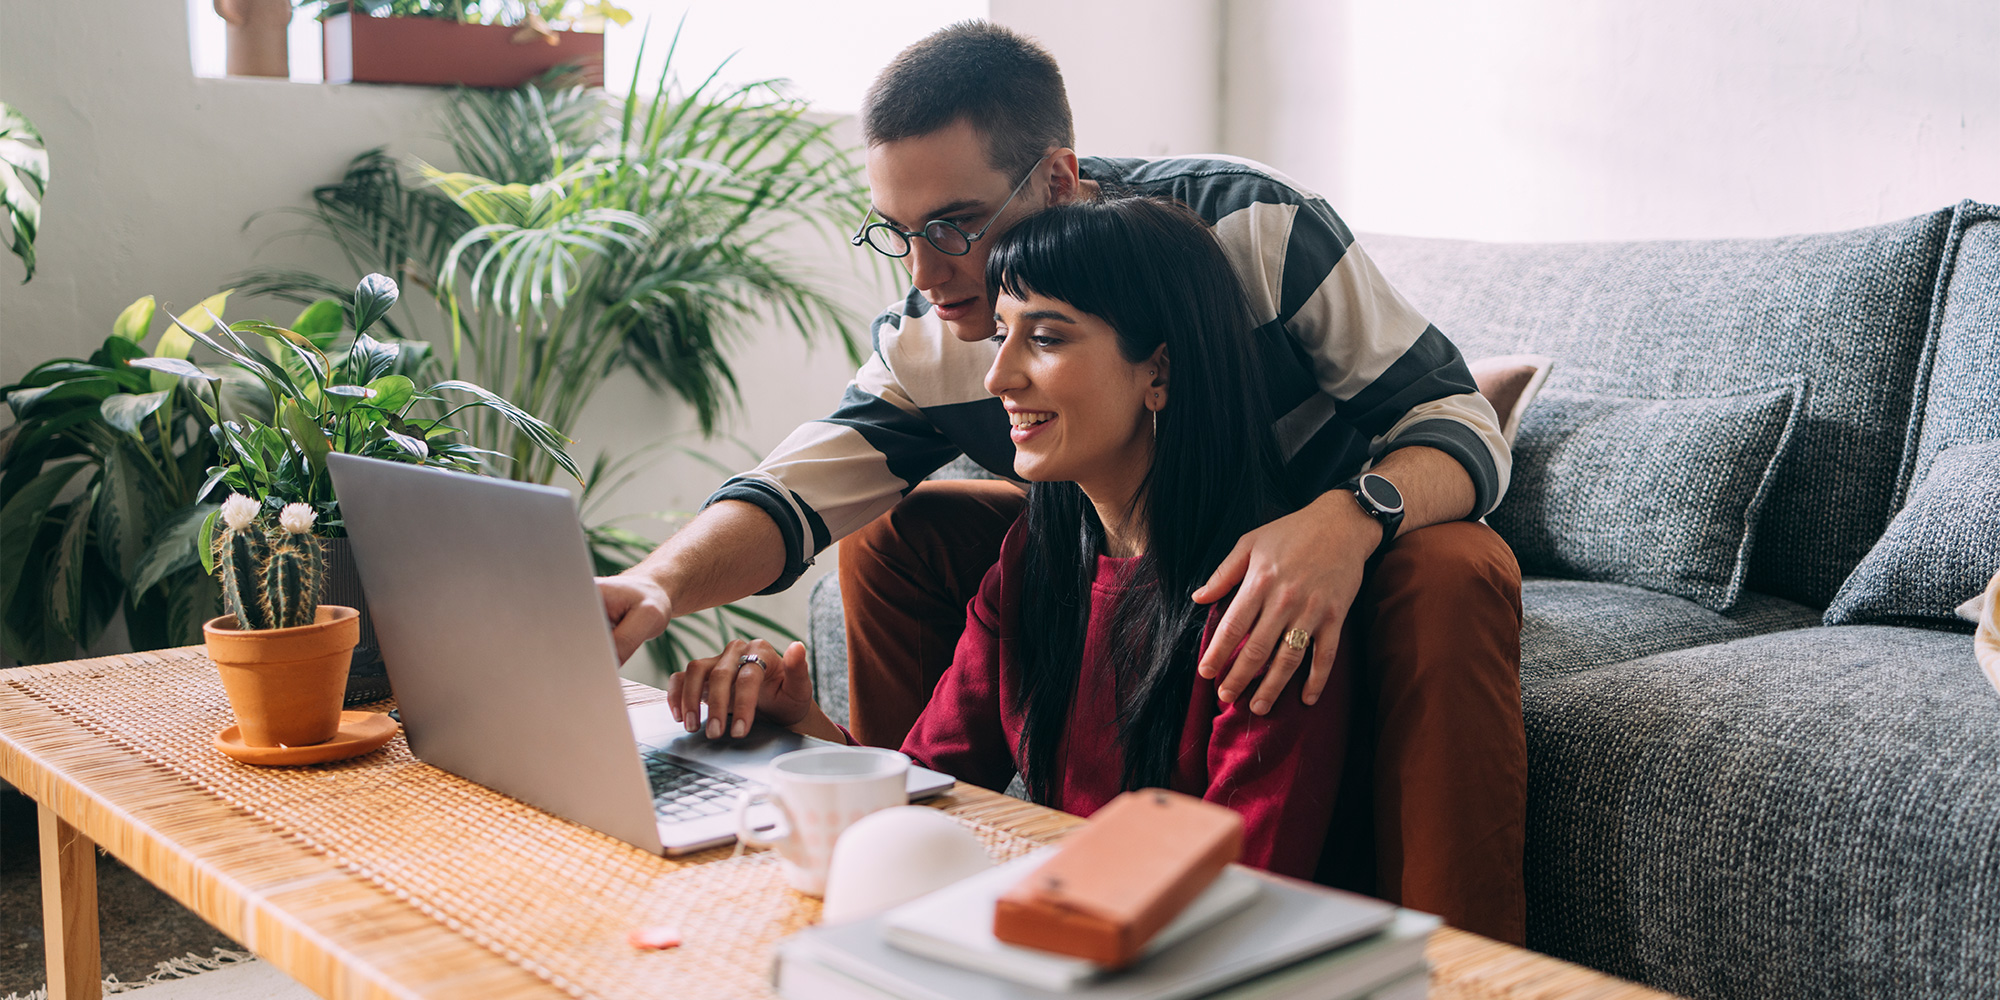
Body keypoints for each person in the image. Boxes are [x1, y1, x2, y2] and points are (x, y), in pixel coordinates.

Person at [598, 21, 1526, 942]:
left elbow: (1458, 420)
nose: (927, 273)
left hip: (1313, 541)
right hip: (1112, 523)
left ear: (1054, 178)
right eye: (900, 234)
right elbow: (799, 487)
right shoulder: (948, 336)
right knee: (898, 530)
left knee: (1451, 568)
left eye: (955, 225)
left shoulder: (1253, 228)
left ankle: (1478, 968)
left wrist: (1344, 523)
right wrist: (659, 588)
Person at [670, 196, 1354, 879]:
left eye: (1048, 338)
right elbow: (926, 785)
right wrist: (799, 724)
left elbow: (1253, 887)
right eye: (1002, 335)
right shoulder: (1036, 556)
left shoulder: (1269, 601)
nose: (998, 377)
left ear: (1160, 371)